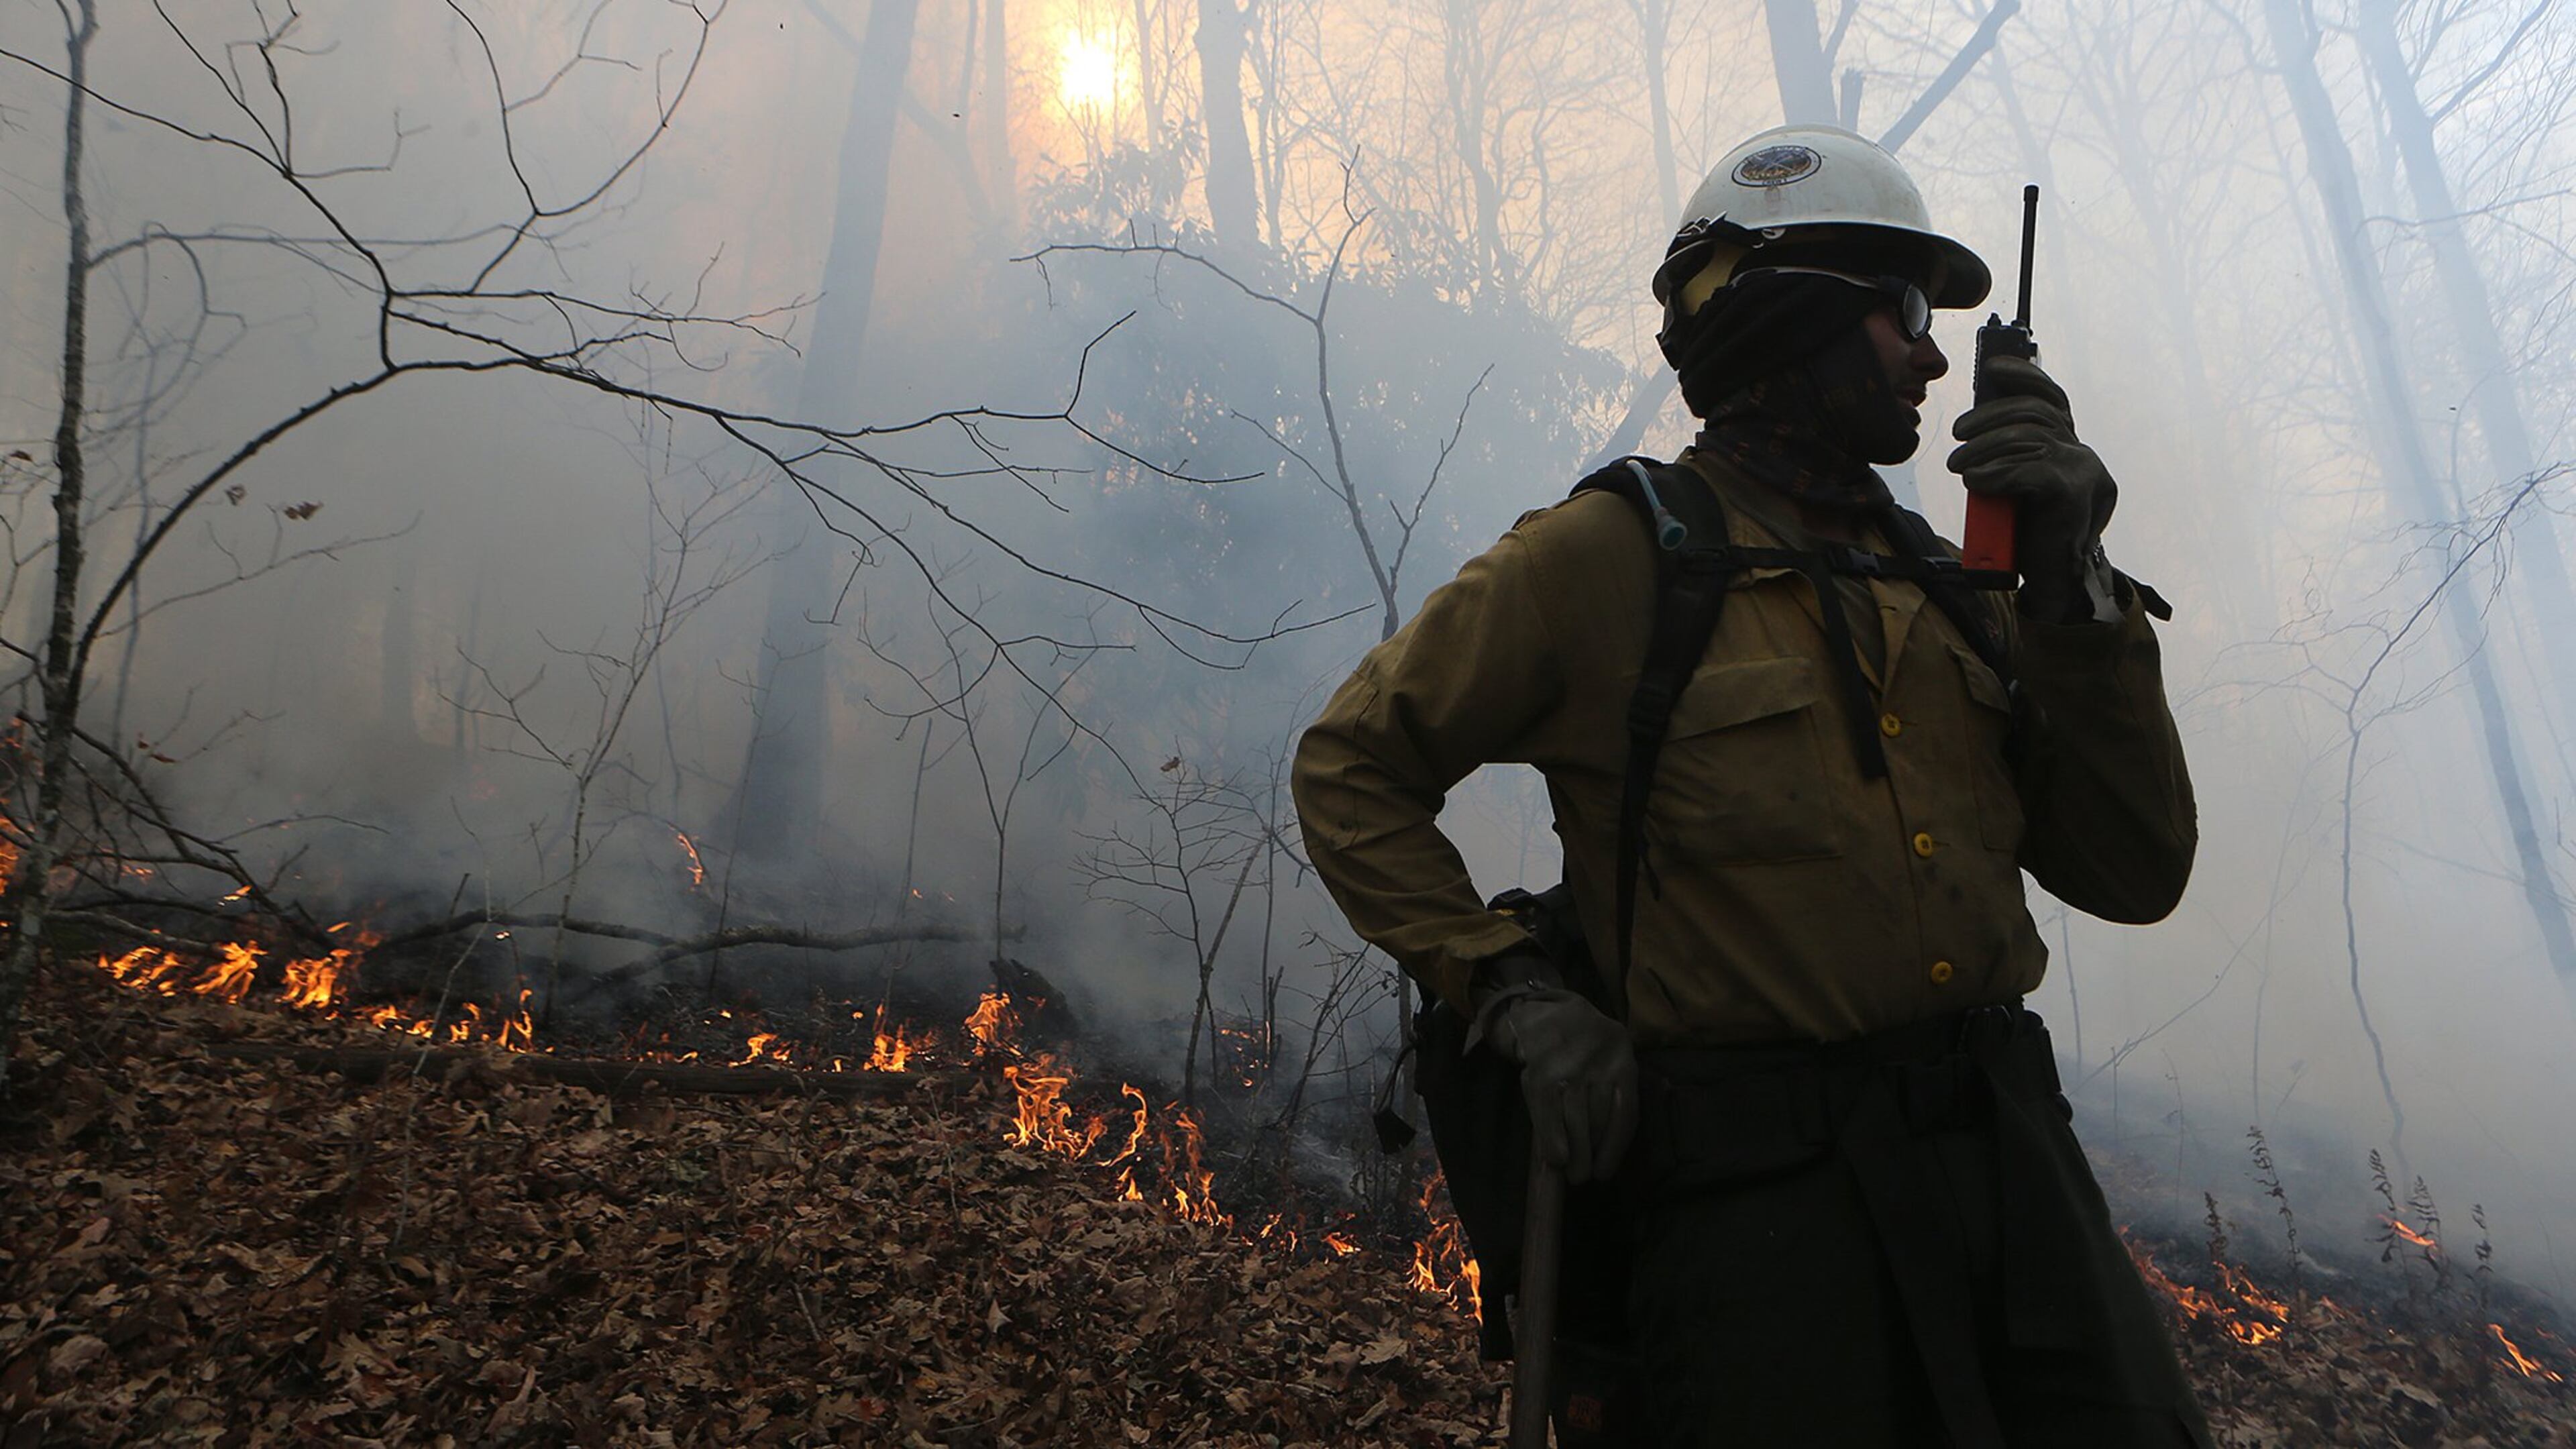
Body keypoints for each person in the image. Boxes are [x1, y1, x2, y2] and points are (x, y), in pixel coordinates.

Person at [1291, 123, 2213, 1447]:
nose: (1935, 353)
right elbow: (1351, 763)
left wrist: (2074, 580)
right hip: (1758, 1214)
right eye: (1903, 311)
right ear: (1793, 316)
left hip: (2012, 1169)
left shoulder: (1960, 591)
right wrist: (1507, 989)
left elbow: (2136, 874)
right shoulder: (1610, 559)